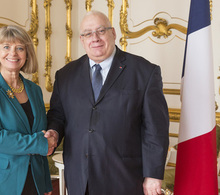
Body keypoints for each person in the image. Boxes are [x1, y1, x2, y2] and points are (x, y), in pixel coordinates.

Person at [46, 10, 169, 195]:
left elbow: (155, 129)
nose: (94, 38)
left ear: (113, 33)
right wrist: (53, 132)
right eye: (88, 33)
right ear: (82, 40)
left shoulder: (144, 72)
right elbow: (58, 115)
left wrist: (153, 175)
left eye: (100, 31)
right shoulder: (65, 75)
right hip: (80, 178)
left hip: (125, 178)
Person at [0, 25, 55, 195]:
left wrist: (45, 183)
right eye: (6, 47)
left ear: (27, 55)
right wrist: (40, 144)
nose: (13, 53)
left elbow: (39, 132)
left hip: (32, 180)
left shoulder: (34, 90)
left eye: (20, 48)